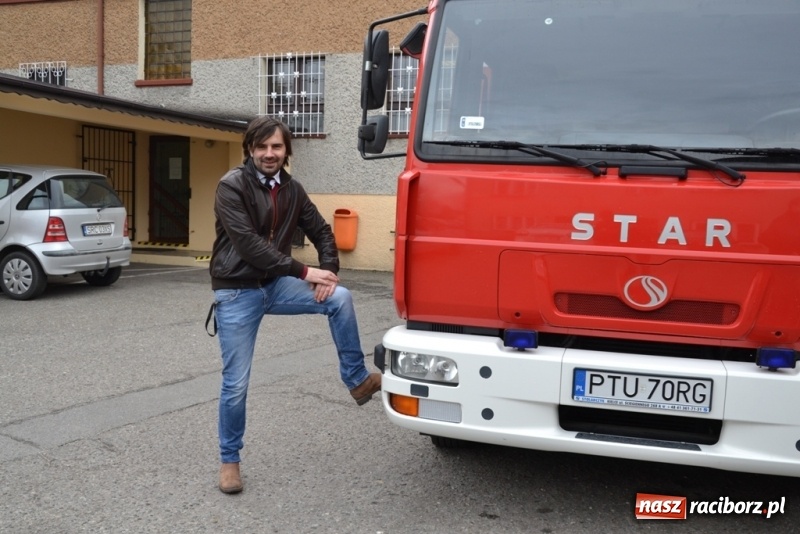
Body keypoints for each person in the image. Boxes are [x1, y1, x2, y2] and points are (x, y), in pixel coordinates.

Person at [209, 116, 381, 494]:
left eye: (277, 147)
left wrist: (329, 272)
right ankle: (229, 461)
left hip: (275, 284)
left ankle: (357, 381)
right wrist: (307, 272)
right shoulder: (231, 186)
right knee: (236, 383)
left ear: (287, 150)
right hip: (237, 290)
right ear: (250, 149)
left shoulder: (292, 188)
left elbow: (321, 230)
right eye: (262, 147)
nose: (269, 154)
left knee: (340, 298)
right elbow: (250, 246)